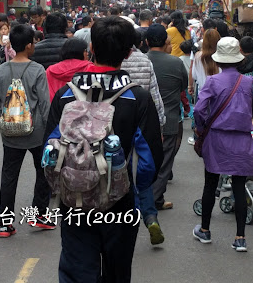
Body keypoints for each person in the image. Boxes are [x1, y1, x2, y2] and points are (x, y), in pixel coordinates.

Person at [45, 16, 163, 283]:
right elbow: (149, 162)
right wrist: (131, 187)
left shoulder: (65, 94)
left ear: (91, 50)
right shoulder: (138, 98)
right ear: (129, 52)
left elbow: (48, 149)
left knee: (76, 269)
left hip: (73, 200)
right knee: (116, 271)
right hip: (119, 202)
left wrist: (62, 184)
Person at [192, 37, 253, 251]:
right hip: (241, 138)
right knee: (239, 186)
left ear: (218, 61)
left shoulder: (212, 81)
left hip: (217, 137)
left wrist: (201, 128)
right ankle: (240, 238)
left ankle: (205, 230)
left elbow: (200, 110)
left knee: (211, 183)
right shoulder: (247, 82)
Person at [0, 24, 55, 237]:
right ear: (28, 45)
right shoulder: (37, 70)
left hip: (10, 133)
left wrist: (2, 123)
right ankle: (39, 216)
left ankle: (5, 224)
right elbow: (45, 104)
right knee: (43, 172)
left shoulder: (0, 70)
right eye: (34, 43)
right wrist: (51, 131)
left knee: (9, 176)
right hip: (36, 132)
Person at [120, 27, 166, 245]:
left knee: (119, 174)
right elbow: (154, 96)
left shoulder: (116, 59)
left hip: (118, 123)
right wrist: (160, 127)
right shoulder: (146, 62)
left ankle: (123, 221)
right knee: (142, 176)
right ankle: (150, 218)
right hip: (142, 125)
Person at [146, 24, 188, 211]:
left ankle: (154, 197)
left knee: (146, 161)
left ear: (146, 42)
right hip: (170, 119)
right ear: (165, 42)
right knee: (164, 162)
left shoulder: (143, 61)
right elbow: (182, 87)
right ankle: (154, 199)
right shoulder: (176, 63)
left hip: (145, 122)